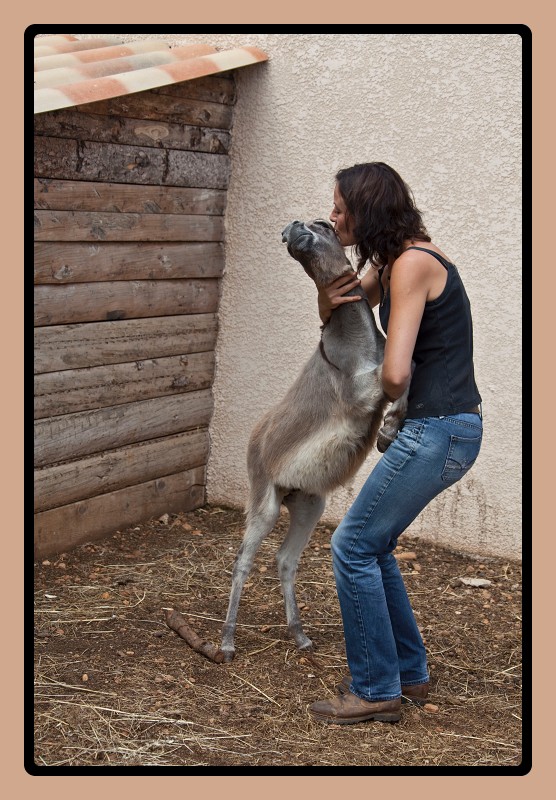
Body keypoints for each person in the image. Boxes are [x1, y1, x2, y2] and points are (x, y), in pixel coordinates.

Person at [309, 162, 483, 725]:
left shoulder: (412, 264)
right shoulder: (391, 260)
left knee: (352, 544)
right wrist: (324, 293)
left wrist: (373, 393)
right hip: (442, 428)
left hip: (440, 428)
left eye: (340, 208)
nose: (334, 218)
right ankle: (408, 671)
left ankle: (376, 688)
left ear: (368, 210)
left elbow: (395, 375)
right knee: (373, 545)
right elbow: (341, 309)